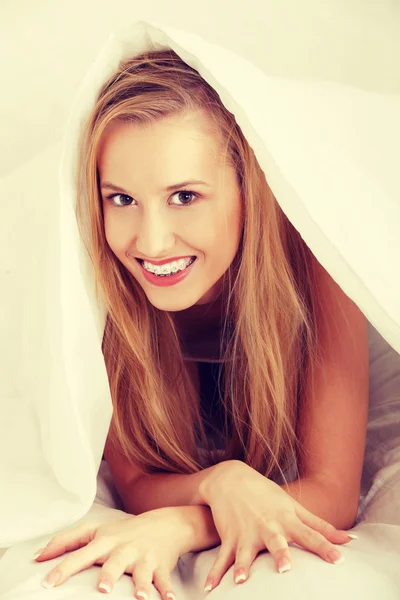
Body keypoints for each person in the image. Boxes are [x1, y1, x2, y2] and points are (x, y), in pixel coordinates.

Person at [33, 47, 369, 600]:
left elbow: (333, 493)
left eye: (184, 196)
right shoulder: (100, 281)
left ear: (247, 189)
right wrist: (221, 482)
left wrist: (188, 522)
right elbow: (135, 481)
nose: (151, 242)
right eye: (122, 199)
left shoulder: (317, 262)